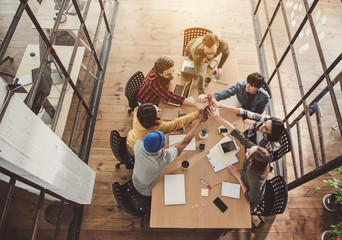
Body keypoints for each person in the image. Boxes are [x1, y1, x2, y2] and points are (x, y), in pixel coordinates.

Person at [132, 112, 207, 196]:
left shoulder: (138, 144)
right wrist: (200, 123)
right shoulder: (160, 161)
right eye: (164, 140)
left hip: (136, 178)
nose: (166, 139)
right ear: (160, 147)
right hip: (145, 188)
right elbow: (185, 142)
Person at [208, 107, 270, 208]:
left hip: (247, 195)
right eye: (252, 148)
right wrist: (218, 118)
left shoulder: (256, 180)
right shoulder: (257, 153)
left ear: (251, 162)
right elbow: (238, 135)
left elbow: (250, 197)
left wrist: (238, 177)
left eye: (248, 153)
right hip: (244, 175)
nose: (248, 149)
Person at [213, 102, 285, 157]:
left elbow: (255, 153)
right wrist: (221, 105)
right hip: (245, 137)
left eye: (265, 128)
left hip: (250, 152)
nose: (262, 126)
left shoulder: (272, 146)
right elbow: (245, 112)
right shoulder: (265, 119)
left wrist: (218, 118)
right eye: (264, 123)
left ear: (271, 133)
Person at [126, 103, 199, 156]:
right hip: (136, 151)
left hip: (131, 138)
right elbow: (177, 123)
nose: (160, 110)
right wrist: (198, 114)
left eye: (156, 108)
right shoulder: (156, 128)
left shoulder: (138, 111)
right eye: (157, 112)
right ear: (152, 120)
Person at [137, 56, 206, 110]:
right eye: (168, 74)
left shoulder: (158, 67)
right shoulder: (154, 82)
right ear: (160, 73)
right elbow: (169, 96)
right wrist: (196, 104)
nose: (172, 76)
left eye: (173, 71)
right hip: (148, 102)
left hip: (159, 93)